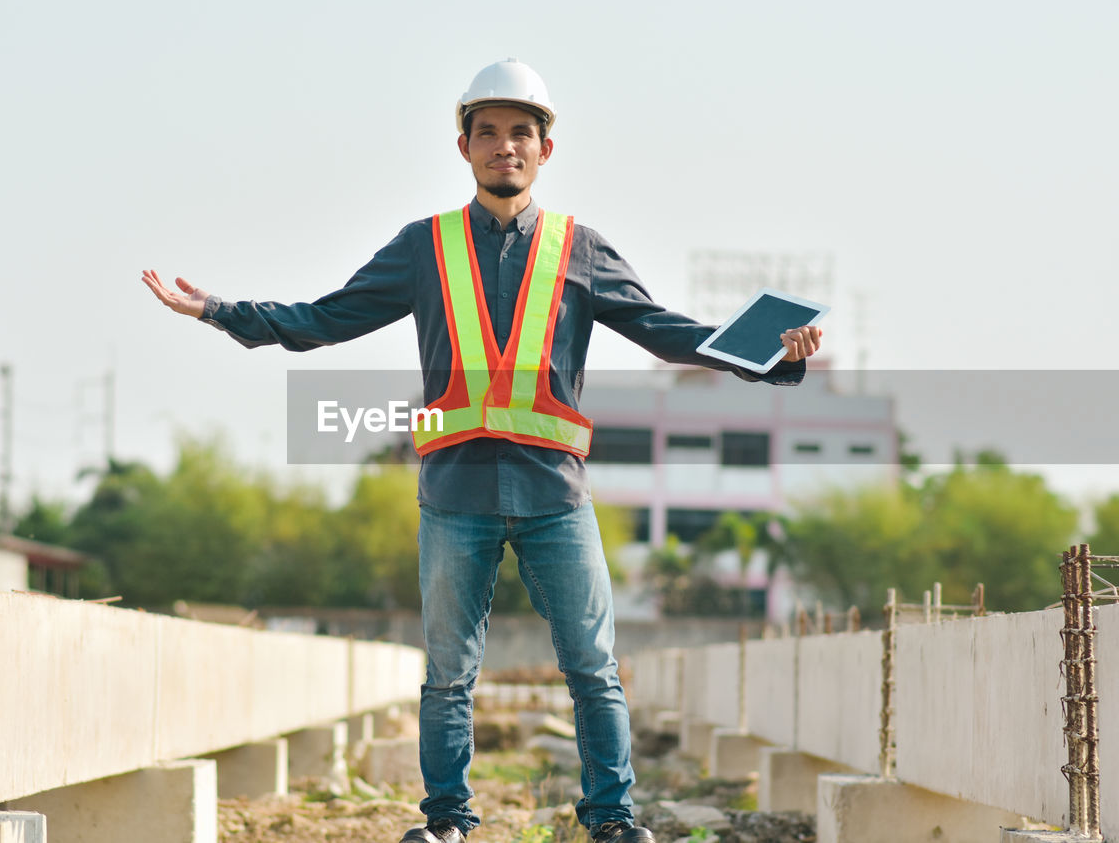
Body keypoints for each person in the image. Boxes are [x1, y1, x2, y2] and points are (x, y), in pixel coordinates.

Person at [142, 58, 822, 843]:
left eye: (522, 133)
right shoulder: (422, 246)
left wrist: (780, 355)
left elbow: (671, 334)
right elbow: (323, 318)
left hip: (555, 496)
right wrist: (218, 311)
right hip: (455, 494)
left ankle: (612, 822)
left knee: (595, 670)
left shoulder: (581, 249)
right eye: (489, 133)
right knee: (448, 678)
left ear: (546, 150)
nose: (506, 146)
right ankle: (448, 825)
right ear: (463, 146)